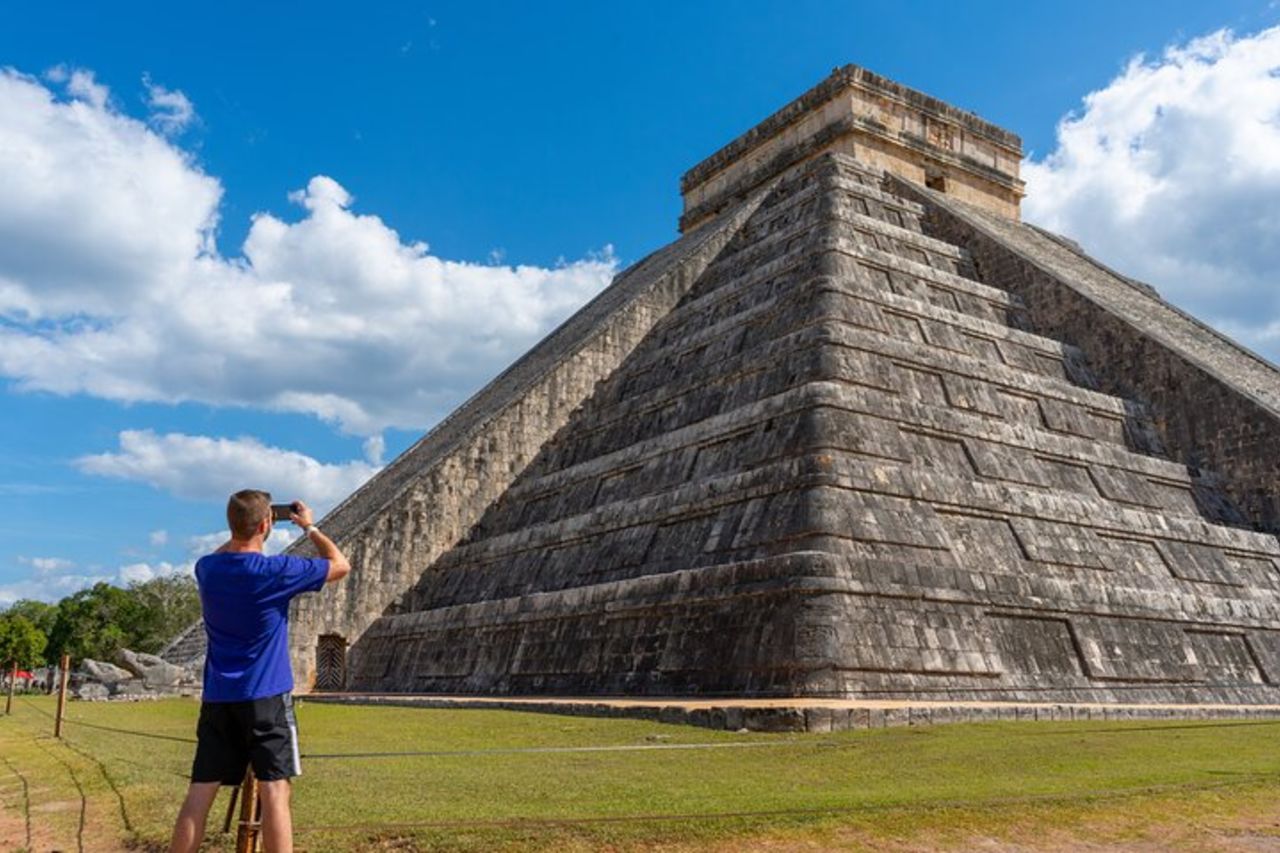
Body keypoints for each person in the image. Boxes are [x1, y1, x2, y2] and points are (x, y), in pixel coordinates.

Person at [168, 489, 351, 853]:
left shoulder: (207, 569)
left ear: (231, 524)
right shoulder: (275, 571)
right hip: (266, 697)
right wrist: (308, 527)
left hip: (219, 698)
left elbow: (228, 548)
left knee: (200, 792)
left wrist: (245, 525)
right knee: (275, 791)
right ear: (267, 524)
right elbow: (340, 564)